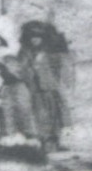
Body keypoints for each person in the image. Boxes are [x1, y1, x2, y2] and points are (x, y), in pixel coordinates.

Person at [18, 21, 72, 151]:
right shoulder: (25, 53)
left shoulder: (50, 53)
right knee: (40, 115)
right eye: (32, 38)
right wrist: (30, 72)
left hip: (50, 88)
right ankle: (45, 141)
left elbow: (60, 69)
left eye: (37, 37)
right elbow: (22, 69)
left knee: (55, 115)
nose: (34, 40)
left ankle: (55, 140)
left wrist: (57, 82)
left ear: (43, 38)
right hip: (36, 90)